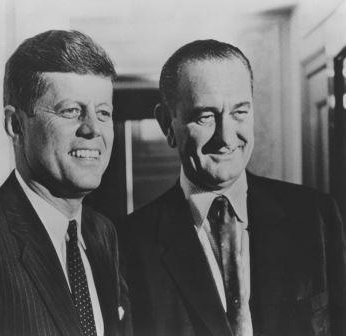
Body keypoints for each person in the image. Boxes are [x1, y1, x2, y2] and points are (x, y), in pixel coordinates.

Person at [119, 39, 346, 336]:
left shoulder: (315, 216)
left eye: (239, 112)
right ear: (166, 123)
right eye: (205, 116)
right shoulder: (128, 244)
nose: (226, 138)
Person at [0, 30, 130, 336]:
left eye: (103, 113)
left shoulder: (101, 234)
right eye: (71, 110)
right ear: (15, 125)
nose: (92, 129)